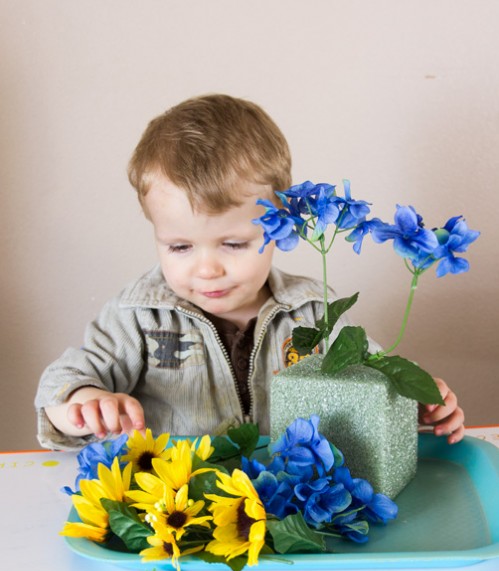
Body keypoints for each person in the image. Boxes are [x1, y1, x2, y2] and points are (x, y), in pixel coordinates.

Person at [35, 94, 465, 450]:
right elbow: (66, 378)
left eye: (234, 244)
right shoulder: (138, 316)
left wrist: (418, 401)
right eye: (179, 246)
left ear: (282, 227)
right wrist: (80, 402)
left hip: (293, 499)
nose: (207, 268)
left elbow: (375, 381)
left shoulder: (315, 311)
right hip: (178, 507)